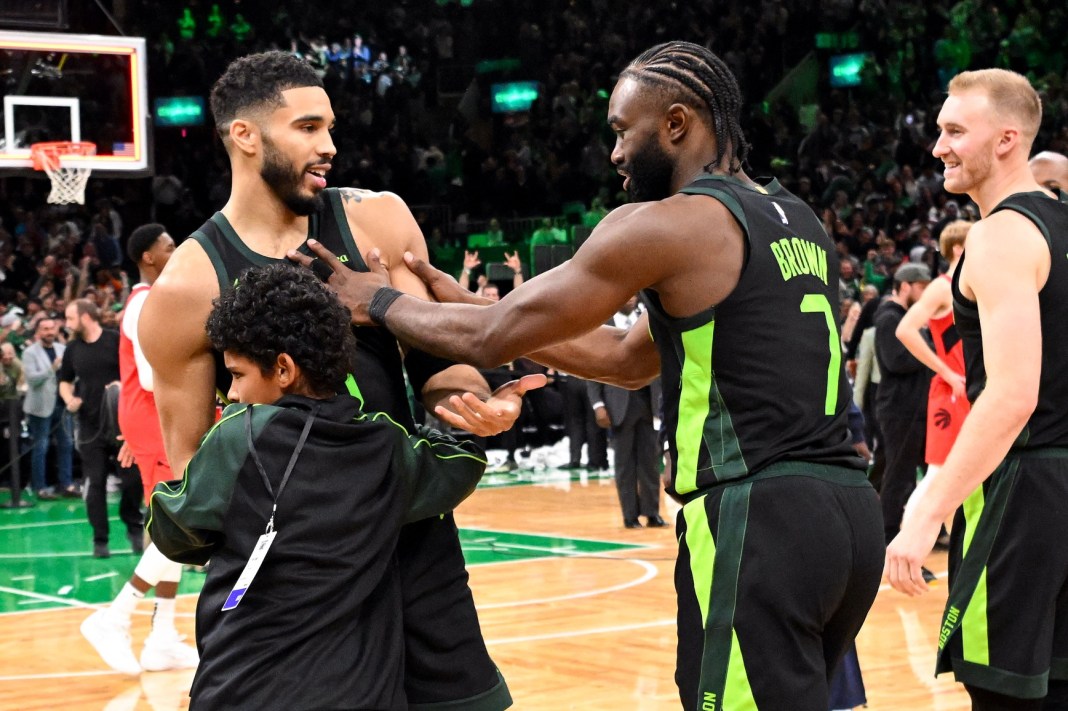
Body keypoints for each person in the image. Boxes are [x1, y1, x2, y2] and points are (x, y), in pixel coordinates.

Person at [296, 40, 884, 710]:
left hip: (760, 516)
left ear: (676, 123)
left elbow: (495, 338)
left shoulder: (665, 225)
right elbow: (628, 360)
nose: (614, 153)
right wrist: (465, 302)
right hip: (848, 515)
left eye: (621, 130)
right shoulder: (796, 218)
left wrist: (374, 299)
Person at [139, 51, 537, 710]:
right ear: (245, 135)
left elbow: (437, 358)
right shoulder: (186, 289)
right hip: (294, 592)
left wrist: (468, 405)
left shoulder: (377, 218)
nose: (330, 145)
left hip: (413, 545)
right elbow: (189, 469)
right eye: (308, 127)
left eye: (330, 127)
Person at [149, 264, 488, 709]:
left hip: (242, 689)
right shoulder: (383, 447)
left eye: (236, 375)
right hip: (360, 693)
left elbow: (173, 531)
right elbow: (462, 460)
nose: (231, 394)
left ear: (284, 369)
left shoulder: (239, 437)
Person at [887, 68, 1068, 709]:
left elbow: (1013, 395)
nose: (938, 145)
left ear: (1007, 140)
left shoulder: (998, 236)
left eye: (955, 130)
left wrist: (926, 510)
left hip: (1024, 495)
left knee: (1005, 693)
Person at [80, 223, 195, 677]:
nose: (176, 248)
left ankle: (162, 636)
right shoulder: (144, 302)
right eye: (169, 245)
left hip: (157, 416)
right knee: (181, 521)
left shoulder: (156, 299)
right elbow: (151, 378)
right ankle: (115, 616)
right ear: (148, 256)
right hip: (154, 414)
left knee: (177, 523)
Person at [895, 220, 971, 528]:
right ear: (959, 248)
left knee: (968, 478)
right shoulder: (941, 286)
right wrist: (949, 373)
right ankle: (901, 551)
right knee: (938, 474)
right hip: (951, 390)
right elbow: (905, 330)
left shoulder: (975, 286)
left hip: (973, 389)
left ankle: (960, 558)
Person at [58, 299, 142, 558]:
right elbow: (64, 381)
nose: (67, 324)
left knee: (132, 481)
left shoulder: (114, 340)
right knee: (94, 484)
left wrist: (118, 385)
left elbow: (133, 373)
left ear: (85, 317)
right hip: (89, 426)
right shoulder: (72, 349)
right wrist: (69, 399)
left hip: (120, 425)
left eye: (70, 318)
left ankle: (133, 524)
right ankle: (100, 538)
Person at [587, 296, 664, 528]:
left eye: (634, 295)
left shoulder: (647, 320)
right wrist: (598, 405)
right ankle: (629, 515)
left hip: (648, 402)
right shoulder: (602, 325)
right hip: (618, 406)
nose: (631, 299)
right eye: (626, 296)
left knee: (651, 462)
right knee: (624, 465)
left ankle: (652, 513)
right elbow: (593, 368)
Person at [873, 262, 932, 544]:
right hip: (899, 409)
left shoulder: (905, 318)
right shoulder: (888, 317)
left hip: (914, 407)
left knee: (917, 471)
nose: (925, 294)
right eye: (921, 287)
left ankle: (927, 528)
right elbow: (895, 360)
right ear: (905, 285)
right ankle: (887, 533)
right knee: (899, 474)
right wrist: (929, 352)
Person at [21, 317, 77, 500]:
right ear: (38, 332)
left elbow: (72, 375)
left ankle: (66, 484)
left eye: (52, 328)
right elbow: (32, 379)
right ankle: (40, 487)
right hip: (40, 407)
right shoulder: (30, 353)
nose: (49, 332)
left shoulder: (63, 349)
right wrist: (52, 368)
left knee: (67, 445)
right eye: (45, 329)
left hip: (62, 405)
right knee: (41, 447)